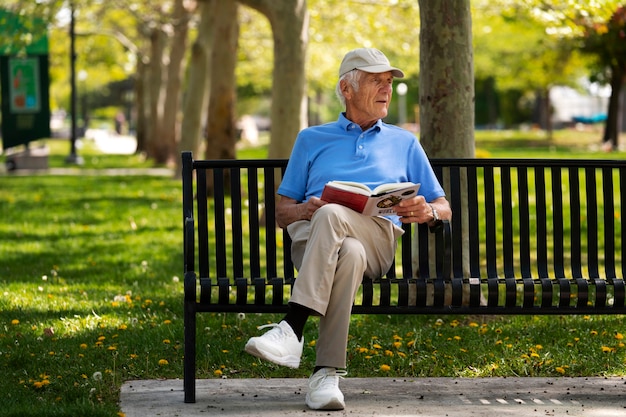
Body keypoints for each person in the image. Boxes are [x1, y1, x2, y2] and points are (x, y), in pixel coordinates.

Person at [244, 47, 452, 411]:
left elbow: (444, 207)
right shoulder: (311, 138)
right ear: (347, 88)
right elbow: (281, 214)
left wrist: (428, 211)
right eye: (376, 81)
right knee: (345, 247)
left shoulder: (404, 142)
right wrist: (306, 208)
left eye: (388, 82)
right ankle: (326, 376)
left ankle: (292, 328)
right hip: (312, 241)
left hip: (378, 239)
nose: (386, 89)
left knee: (336, 220)